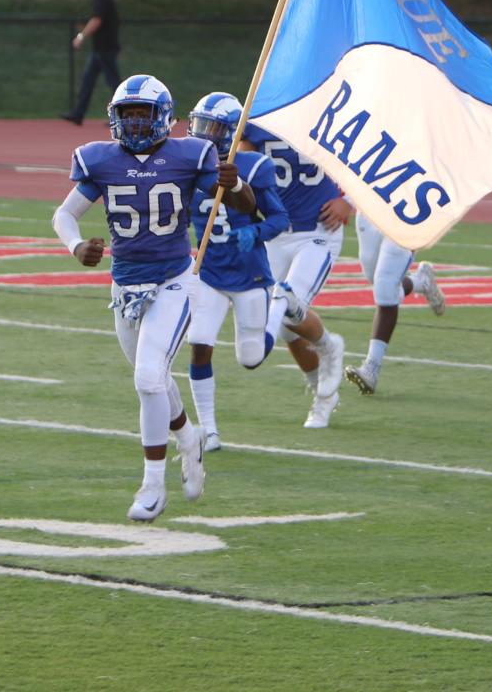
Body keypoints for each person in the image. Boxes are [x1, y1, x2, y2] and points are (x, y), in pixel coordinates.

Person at [50, 74, 257, 521]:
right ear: (115, 117)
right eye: (129, 114)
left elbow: (246, 206)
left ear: (162, 115)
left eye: (144, 113)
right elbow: (65, 213)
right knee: (156, 378)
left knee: (147, 378)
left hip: (174, 280)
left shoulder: (190, 154)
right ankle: (188, 438)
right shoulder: (99, 160)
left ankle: (152, 485)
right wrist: (74, 246)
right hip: (124, 285)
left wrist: (235, 184)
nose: (137, 123)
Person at [183, 93, 289, 452]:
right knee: (199, 345)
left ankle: (280, 307)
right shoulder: (188, 167)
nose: (201, 134)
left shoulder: (254, 166)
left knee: (250, 358)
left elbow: (279, 219)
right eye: (198, 124)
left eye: (210, 127)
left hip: (249, 275)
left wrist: (254, 231)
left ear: (230, 132)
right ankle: (209, 430)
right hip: (210, 272)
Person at [240, 123, 348, 429]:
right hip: (276, 233)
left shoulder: (323, 110)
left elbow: (363, 160)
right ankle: (321, 391)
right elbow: (244, 177)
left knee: (288, 305)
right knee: (284, 326)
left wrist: (348, 200)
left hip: (317, 231)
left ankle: (329, 347)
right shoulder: (258, 120)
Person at [342, 214, 446, 396]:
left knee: (385, 284)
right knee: (379, 282)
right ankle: (421, 281)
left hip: (407, 214)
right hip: (371, 209)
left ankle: (371, 368)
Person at [61, 0, 121, 125]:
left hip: (106, 49)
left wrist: (81, 36)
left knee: (114, 83)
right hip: (99, 50)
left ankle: (121, 117)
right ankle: (78, 114)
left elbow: (96, 20)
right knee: (87, 80)